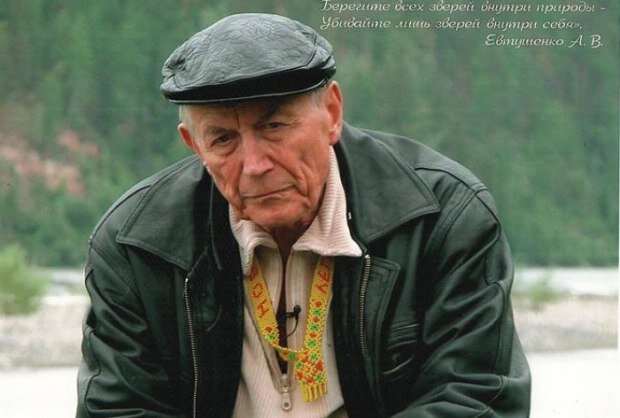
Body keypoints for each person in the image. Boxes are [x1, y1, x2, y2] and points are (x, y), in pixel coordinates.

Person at [76, 13, 531, 418]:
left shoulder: (441, 217)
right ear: (194, 145)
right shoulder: (136, 245)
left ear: (331, 113)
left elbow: (478, 398)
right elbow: (118, 409)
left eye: (274, 126)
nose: (255, 165)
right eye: (223, 140)